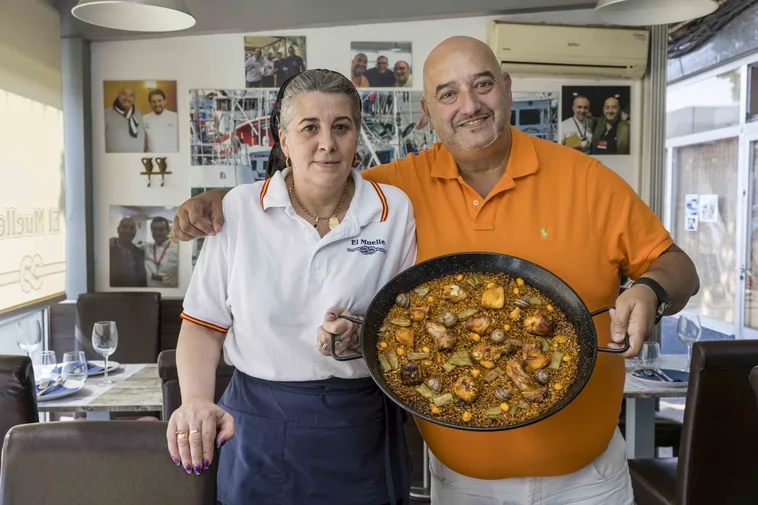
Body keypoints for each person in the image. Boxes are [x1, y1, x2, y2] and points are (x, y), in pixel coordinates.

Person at [171, 36, 699, 505]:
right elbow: (315, 176)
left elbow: (677, 265)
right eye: (448, 93)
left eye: (483, 85)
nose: (469, 105)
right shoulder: (401, 191)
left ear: (507, 88)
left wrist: (652, 290)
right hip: (461, 480)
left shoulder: (587, 178)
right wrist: (226, 201)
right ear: (429, 111)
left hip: (589, 479)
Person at [165, 69, 417, 505]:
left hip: (357, 424)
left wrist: (364, 333)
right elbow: (204, 325)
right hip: (257, 424)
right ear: (284, 142)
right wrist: (195, 401)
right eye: (309, 128)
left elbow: (408, 323)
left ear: (357, 135)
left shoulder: (393, 210)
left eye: (342, 127)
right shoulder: (238, 210)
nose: (327, 143)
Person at [104, 86, 146, 153]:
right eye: (124, 94)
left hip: (135, 160)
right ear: (118, 95)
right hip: (114, 161)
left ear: (134, 99)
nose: (127, 98)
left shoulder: (139, 115)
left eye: (131, 95)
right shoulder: (105, 114)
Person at [142, 216, 179, 288]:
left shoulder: (177, 250)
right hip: (150, 294)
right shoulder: (146, 248)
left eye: (161, 229)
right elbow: (129, 246)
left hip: (170, 296)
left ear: (168, 231)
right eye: (154, 229)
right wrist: (114, 240)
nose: (157, 232)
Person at [109, 217, 147, 287]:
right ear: (118, 230)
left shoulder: (140, 252)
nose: (128, 230)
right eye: (124, 227)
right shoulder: (108, 250)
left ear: (135, 232)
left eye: (132, 228)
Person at [143, 89, 178, 153]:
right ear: (150, 103)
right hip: (151, 157)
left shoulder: (175, 117)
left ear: (165, 101)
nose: (157, 104)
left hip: (171, 157)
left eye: (159, 101)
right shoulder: (144, 118)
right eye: (153, 102)